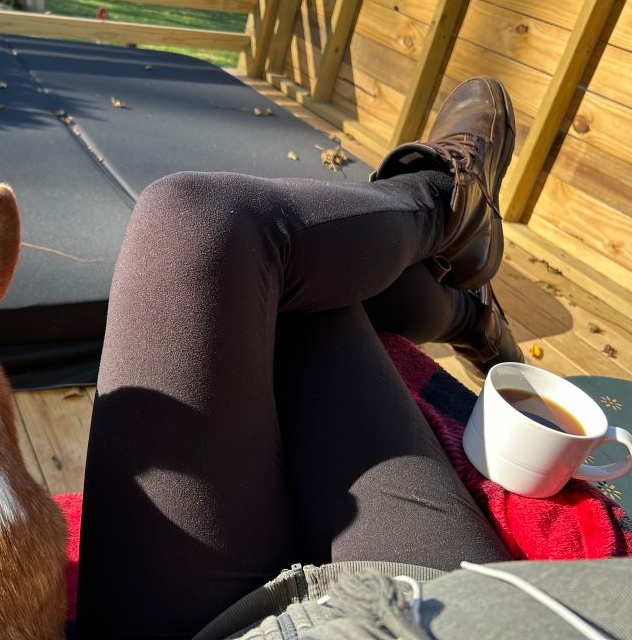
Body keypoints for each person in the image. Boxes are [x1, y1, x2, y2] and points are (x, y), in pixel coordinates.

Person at [76, 77, 526, 638]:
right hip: (412, 620)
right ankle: (445, 202)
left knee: (244, 261)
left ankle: (469, 305)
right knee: (216, 228)